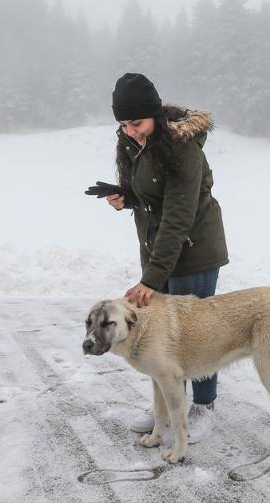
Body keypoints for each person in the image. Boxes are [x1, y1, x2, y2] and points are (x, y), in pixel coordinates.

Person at [102, 72, 229, 444]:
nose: (130, 131)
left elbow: (177, 216)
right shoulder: (133, 144)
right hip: (158, 250)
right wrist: (127, 196)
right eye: (123, 124)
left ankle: (204, 407)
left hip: (193, 249)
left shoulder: (183, 148)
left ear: (155, 115)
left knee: (198, 335)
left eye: (136, 122)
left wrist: (151, 280)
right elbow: (151, 194)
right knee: (162, 334)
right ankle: (167, 408)